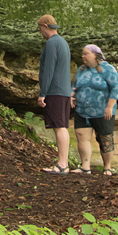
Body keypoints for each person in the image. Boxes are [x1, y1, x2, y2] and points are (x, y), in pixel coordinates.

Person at [72, 43, 118, 174]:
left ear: (96, 55)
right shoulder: (81, 70)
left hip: (103, 111)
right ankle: (85, 167)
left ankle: (107, 167)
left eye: (86, 54)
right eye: (82, 54)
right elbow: (75, 86)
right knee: (81, 136)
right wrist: (71, 96)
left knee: (105, 139)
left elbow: (116, 87)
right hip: (82, 111)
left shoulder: (107, 69)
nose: (83, 56)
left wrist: (110, 107)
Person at [35, 13, 73, 172]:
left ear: (45, 26)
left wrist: (43, 93)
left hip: (55, 91)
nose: (40, 33)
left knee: (59, 127)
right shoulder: (63, 43)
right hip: (64, 91)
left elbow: (49, 70)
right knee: (62, 126)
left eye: (40, 29)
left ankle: (62, 164)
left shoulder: (51, 43)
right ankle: (64, 163)